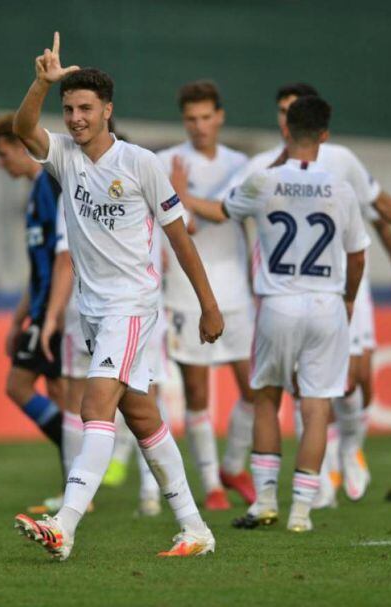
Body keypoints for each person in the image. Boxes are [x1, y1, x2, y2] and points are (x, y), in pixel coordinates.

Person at [11, 33, 223, 560]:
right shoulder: (63, 156)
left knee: (93, 402)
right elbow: (22, 129)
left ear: (108, 110)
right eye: (69, 108)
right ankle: (195, 528)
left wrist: (208, 304)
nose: (76, 117)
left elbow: (179, 236)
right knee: (143, 417)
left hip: (132, 305)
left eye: (85, 107)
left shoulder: (140, 164)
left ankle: (65, 524)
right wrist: (41, 84)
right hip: (94, 308)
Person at [184, 82, 391, 503]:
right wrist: (185, 197)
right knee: (314, 389)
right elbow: (220, 206)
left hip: (339, 285)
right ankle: (318, 478)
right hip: (309, 292)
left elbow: (379, 209)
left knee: (352, 378)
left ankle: (348, 449)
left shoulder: (340, 162)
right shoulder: (261, 166)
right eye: (282, 110)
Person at [188, 95, 370, 532]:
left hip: (277, 305)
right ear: (324, 136)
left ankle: (265, 501)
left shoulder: (264, 182)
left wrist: (183, 196)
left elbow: (221, 212)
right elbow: (358, 255)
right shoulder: (340, 189)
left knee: (267, 398)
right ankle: (302, 512)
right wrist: (348, 298)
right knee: (317, 406)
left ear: (285, 131)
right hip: (326, 304)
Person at [156, 80, 257, 510]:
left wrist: (185, 194)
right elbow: (187, 229)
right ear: (184, 121)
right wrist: (181, 198)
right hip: (185, 293)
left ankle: (234, 464)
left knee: (256, 388)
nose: (198, 126)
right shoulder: (164, 162)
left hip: (235, 290)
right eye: (190, 119)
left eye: (205, 117)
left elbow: (225, 214)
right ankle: (213, 484)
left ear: (220, 116)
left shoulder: (242, 165)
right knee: (197, 395)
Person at [0, 113, 67, 504]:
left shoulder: (50, 187)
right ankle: (78, 480)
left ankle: (81, 480)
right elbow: (38, 268)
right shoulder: (36, 193)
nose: (1, 164)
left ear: (22, 147)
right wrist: (20, 318)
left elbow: (64, 258)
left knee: (21, 385)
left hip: (60, 311)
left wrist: (53, 313)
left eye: (4, 154)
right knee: (56, 390)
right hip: (44, 309)